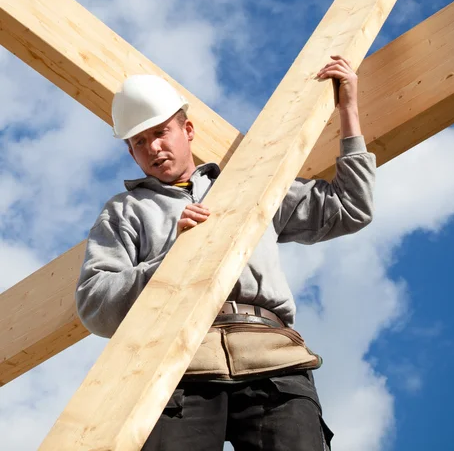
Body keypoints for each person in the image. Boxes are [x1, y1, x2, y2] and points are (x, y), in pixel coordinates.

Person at [76, 55, 376, 450]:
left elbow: (350, 208)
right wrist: (169, 262)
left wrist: (349, 112)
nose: (154, 147)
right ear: (132, 154)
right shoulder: (125, 211)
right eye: (139, 142)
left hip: (272, 360)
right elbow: (95, 304)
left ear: (188, 129)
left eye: (161, 132)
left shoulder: (249, 185)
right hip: (178, 373)